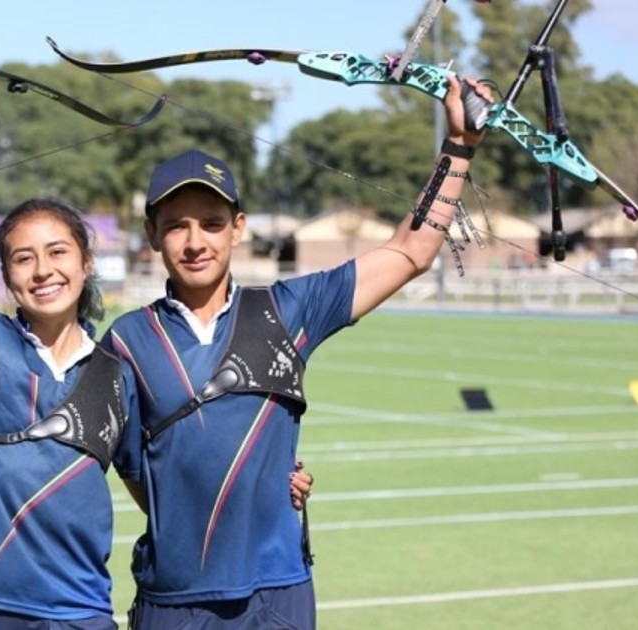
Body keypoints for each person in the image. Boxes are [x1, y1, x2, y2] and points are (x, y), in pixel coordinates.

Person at [0, 63, 315, 629]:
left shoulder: (120, 368)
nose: (42, 270)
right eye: (23, 258)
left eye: (58, 252)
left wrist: (272, 492)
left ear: (86, 263)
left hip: (75, 613)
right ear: (7, 276)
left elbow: (166, 479)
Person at [103, 75, 495, 629]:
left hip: (278, 591)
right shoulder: (125, 340)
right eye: (177, 227)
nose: (196, 242)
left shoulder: (289, 310)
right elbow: (131, 467)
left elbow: (411, 251)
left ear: (238, 229)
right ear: (151, 234)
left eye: (213, 224)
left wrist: (459, 147)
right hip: (174, 598)